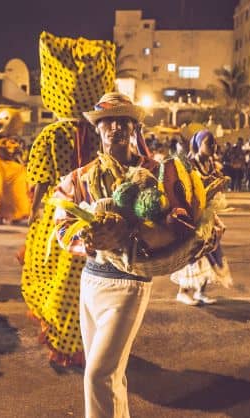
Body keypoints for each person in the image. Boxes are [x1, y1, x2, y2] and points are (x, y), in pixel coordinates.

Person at [53, 92, 159, 418]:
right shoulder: (79, 178)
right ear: (97, 130)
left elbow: (174, 225)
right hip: (91, 282)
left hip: (129, 283)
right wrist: (85, 241)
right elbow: (60, 226)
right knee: (112, 376)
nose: (116, 127)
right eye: (107, 122)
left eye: (124, 120)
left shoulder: (153, 173)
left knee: (98, 375)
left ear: (134, 128)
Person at [20, 32, 115, 368]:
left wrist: (32, 219)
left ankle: (66, 341)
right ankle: (92, 339)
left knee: (58, 282)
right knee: (90, 284)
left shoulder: (51, 134)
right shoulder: (104, 133)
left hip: (59, 221)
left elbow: (41, 182)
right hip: (96, 218)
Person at [171, 130, 229, 306]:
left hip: (208, 212)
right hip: (193, 215)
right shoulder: (190, 163)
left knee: (210, 250)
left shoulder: (211, 163)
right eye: (208, 143)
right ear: (197, 145)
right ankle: (183, 291)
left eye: (214, 143)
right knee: (193, 252)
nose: (213, 147)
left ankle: (200, 291)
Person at [0, 109, 31, 224]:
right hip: (3, 171)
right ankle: (1, 216)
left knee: (9, 194)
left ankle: (12, 216)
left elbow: (17, 156)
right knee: (1, 193)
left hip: (11, 172)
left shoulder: (8, 143)